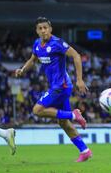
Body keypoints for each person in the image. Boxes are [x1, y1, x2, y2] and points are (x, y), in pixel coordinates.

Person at [15, 17, 92, 162]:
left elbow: (76, 55)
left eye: (46, 27)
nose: (43, 31)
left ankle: (74, 115)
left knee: (37, 110)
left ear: (50, 29)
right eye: (40, 28)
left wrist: (80, 79)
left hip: (61, 86)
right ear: (37, 31)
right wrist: (22, 70)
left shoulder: (57, 43)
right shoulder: (37, 44)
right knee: (62, 122)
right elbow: (33, 59)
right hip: (56, 86)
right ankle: (85, 150)